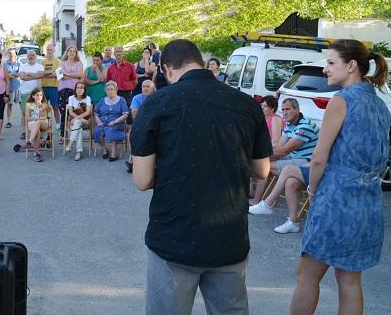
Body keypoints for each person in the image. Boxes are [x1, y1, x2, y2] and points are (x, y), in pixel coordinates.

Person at [130, 39, 272, 315]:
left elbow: (142, 180)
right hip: (229, 236)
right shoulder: (245, 104)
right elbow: (262, 171)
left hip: (175, 237)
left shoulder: (158, 103)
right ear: (200, 61)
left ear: (167, 68)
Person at [290, 40, 391, 314]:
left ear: (351, 65)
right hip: (368, 203)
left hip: (337, 200)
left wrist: (311, 190)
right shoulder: (380, 105)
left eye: (331, 62)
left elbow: (319, 158)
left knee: (306, 277)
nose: (325, 69)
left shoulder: (341, 100)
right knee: (349, 282)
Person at [250, 98, 319, 205]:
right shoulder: (289, 125)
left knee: (263, 166)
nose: (285, 113)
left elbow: (284, 150)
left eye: (288, 109)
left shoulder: (306, 125)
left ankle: (257, 201)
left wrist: (259, 157)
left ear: (297, 109)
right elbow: (279, 147)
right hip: (292, 157)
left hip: (305, 161)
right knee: (260, 162)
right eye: (283, 110)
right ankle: (256, 199)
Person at [249, 164, 311, 233]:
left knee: (287, 169)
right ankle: (293, 223)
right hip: (313, 168)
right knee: (290, 183)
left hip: (321, 174)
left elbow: (318, 161)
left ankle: (267, 205)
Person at [94, 81, 129, 162]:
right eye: (108, 89)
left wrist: (115, 121)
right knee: (97, 131)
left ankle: (114, 153)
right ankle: (104, 149)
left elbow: (125, 114)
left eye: (111, 89)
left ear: (116, 89)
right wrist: (98, 122)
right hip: (102, 122)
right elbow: (96, 113)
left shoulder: (121, 100)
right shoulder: (102, 100)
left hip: (117, 122)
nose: (109, 91)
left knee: (111, 130)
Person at [126, 79, 156, 173]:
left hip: (155, 124)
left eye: (148, 86)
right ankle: (134, 158)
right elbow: (134, 113)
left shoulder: (158, 97)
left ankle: (135, 161)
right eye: (143, 86)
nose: (145, 88)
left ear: (153, 88)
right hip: (140, 124)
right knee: (131, 134)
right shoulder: (137, 98)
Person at [58, 45, 83, 143]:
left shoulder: (79, 64)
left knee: (74, 112)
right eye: (70, 51)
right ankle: (63, 135)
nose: (72, 53)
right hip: (63, 90)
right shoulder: (62, 63)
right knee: (64, 113)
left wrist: (67, 74)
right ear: (67, 52)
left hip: (74, 91)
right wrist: (74, 76)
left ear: (76, 53)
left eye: (74, 51)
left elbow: (80, 75)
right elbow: (60, 76)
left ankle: (74, 135)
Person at [19, 50, 45, 140]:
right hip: (25, 93)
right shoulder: (22, 66)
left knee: (38, 113)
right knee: (24, 114)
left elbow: (40, 76)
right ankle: (24, 131)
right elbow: (22, 77)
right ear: (27, 56)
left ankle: (38, 131)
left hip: (37, 94)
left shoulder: (40, 66)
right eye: (29, 55)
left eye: (33, 55)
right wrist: (35, 75)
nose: (31, 57)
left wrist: (29, 74)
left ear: (36, 56)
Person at [65, 81, 92, 161]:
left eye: (82, 88)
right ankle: (78, 152)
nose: (80, 89)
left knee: (77, 123)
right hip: (75, 122)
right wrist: (81, 119)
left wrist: (78, 118)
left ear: (84, 90)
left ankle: (70, 143)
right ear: (75, 89)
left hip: (85, 122)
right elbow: (70, 112)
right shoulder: (71, 98)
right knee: (78, 127)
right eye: (78, 88)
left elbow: (87, 112)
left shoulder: (87, 98)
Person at [24, 88, 52, 163]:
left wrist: (40, 107)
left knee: (39, 121)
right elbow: (27, 118)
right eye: (37, 95)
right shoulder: (29, 105)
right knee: (38, 132)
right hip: (32, 124)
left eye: (41, 95)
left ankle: (29, 141)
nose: (39, 97)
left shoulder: (44, 105)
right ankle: (37, 153)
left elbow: (44, 117)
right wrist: (35, 119)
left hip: (44, 124)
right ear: (33, 96)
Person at [41, 44, 61, 127]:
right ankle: (44, 126)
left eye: (51, 50)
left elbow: (57, 75)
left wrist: (45, 74)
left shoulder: (58, 62)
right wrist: (51, 73)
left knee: (55, 107)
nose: (49, 51)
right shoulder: (43, 62)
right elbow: (40, 74)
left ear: (54, 51)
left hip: (54, 87)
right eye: (48, 50)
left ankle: (58, 126)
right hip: (44, 87)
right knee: (43, 108)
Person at [4, 48, 21, 128]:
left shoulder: (19, 64)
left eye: (12, 53)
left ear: (15, 54)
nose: (11, 55)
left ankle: (23, 120)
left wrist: (11, 74)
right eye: (10, 53)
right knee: (9, 105)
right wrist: (15, 75)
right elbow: (7, 75)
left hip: (19, 87)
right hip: (10, 87)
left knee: (22, 104)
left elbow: (20, 74)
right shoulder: (5, 64)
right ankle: (9, 121)